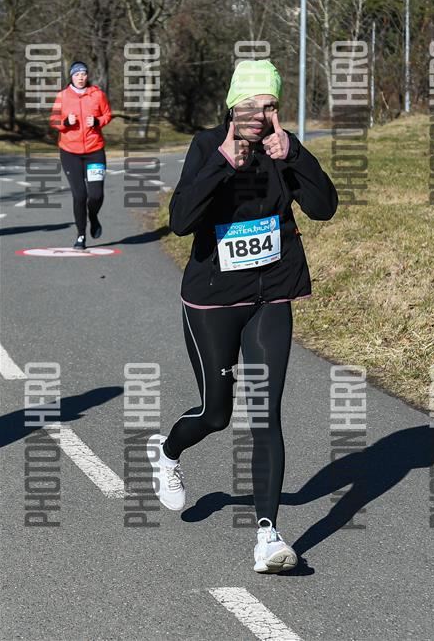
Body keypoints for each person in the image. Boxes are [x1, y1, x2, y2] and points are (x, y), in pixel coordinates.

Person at [147, 59, 338, 573]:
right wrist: (221, 164)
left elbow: (324, 208)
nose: (260, 115)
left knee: (266, 414)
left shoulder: (283, 149)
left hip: (270, 296)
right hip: (213, 300)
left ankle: (268, 536)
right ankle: (167, 452)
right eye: (250, 105)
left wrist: (296, 155)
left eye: (270, 105)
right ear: (232, 107)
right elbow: (181, 221)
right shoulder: (208, 145)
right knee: (216, 413)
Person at [49, 61, 112, 249]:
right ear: (71, 77)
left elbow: (107, 115)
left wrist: (98, 121)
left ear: (87, 76)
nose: (80, 77)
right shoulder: (62, 96)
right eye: (77, 74)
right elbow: (54, 121)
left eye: (83, 74)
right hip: (70, 153)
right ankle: (81, 235)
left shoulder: (97, 94)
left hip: (94, 151)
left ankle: (93, 215)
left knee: (96, 195)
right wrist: (66, 123)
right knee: (79, 195)